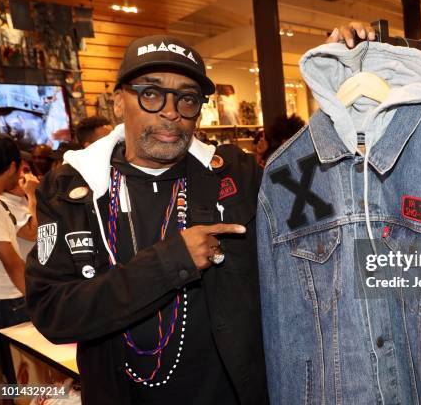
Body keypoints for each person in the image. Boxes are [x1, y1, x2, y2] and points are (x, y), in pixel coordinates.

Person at [25, 35, 267, 405]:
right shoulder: (71, 190)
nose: (171, 112)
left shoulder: (236, 175)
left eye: (187, 99)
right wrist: (173, 262)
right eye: (151, 94)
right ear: (119, 102)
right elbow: (54, 314)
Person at [0, 134, 38, 384]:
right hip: (7, 301)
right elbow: (11, 262)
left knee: (12, 374)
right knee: (24, 377)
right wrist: (35, 300)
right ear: (12, 166)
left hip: (2, 299)